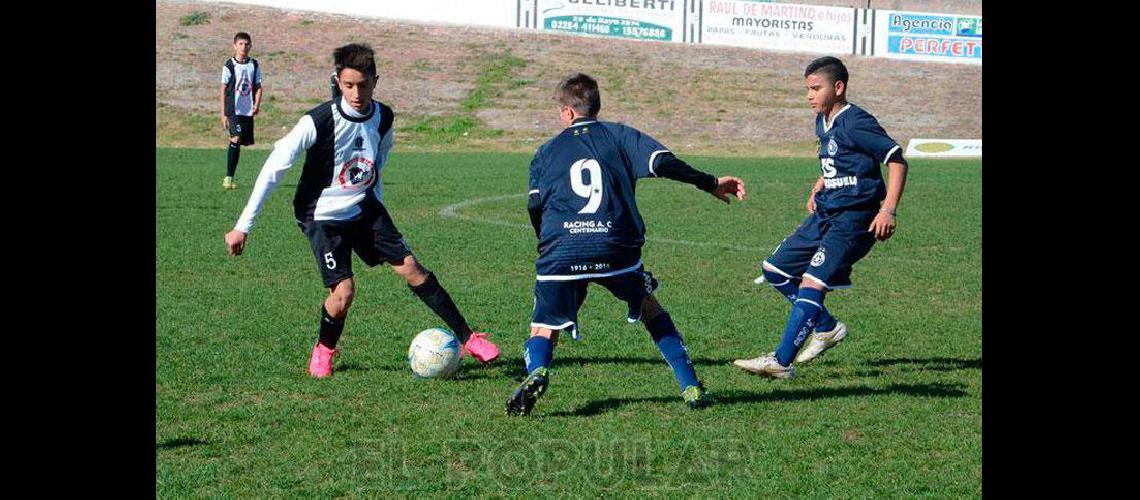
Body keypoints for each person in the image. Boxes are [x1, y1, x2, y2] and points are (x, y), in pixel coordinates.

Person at [223, 43, 500, 378]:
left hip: (364, 207)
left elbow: (376, 167)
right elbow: (273, 168)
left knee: (412, 268)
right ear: (338, 81)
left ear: (375, 81)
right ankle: (324, 350)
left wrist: (377, 209)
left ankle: (469, 338)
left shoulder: (384, 118)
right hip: (321, 215)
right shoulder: (318, 121)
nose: (356, 93)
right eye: (348, 85)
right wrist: (243, 226)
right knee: (343, 294)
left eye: (363, 85)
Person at [506, 73, 746, 415]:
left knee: (544, 325)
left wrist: (546, 245)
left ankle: (538, 371)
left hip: (561, 248)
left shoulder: (546, 151)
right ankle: (690, 384)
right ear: (595, 106)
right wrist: (708, 183)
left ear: (569, 113)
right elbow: (663, 163)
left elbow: (534, 206)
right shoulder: (620, 135)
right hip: (614, 246)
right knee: (650, 308)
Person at [734, 56, 909, 378]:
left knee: (812, 283)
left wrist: (888, 209)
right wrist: (819, 185)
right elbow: (836, 159)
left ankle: (781, 362)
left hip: (855, 217)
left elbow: (896, 160)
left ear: (838, 87)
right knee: (775, 270)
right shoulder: (822, 120)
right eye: (807, 89)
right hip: (826, 211)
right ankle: (826, 327)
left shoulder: (856, 121)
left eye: (816, 88)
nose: (809, 95)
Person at [220, 32, 263, 190]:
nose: (244, 47)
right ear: (235, 46)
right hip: (233, 109)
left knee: (240, 142)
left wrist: (256, 104)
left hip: (246, 110)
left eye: (246, 44)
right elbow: (223, 89)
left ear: (250, 45)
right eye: (241, 44)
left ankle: (230, 178)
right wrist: (223, 113)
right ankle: (228, 178)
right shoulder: (230, 65)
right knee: (236, 138)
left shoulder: (254, 64)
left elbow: (258, 86)